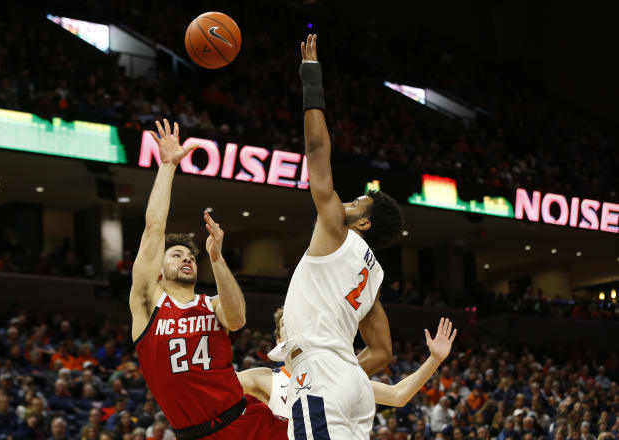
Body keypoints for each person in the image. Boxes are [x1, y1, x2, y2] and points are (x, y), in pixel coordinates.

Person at [269, 34, 405, 439]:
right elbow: (382, 352)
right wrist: (345, 370)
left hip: (322, 376)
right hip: (349, 383)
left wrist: (311, 76)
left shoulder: (334, 228)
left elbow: (315, 149)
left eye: (360, 201)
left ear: (363, 223)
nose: (351, 200)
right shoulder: (373, 274)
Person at [130, 119, 287, 439]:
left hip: (246, 423)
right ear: (158, 272)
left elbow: (238, 317)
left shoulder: (211, 304)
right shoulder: (148, 303)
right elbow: (153, 228)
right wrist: (168, 166)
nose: (186, 258)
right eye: (175, 255)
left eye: (190, 256)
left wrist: (216, 258)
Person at [238, 307, 457, 420]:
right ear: (279, 340)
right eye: (287, 322)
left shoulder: (336, 376)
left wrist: (435, 358)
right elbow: (210, 385)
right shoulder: (263, 378)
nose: (294, 323)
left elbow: (397, 395)